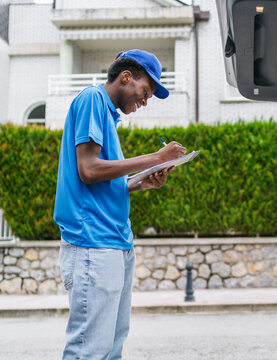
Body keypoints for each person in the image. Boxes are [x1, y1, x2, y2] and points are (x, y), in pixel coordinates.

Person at [54, 49, 186, 359]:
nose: (144, 101)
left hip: (114, 245)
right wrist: (155, 157)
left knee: (111, 348)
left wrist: (142, 181)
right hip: (92, 245)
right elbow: (88, 170)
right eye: (144, 92)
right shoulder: (91, 99)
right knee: (89, 350)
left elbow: (103, 181)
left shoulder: (108, 117)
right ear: (125, 77)